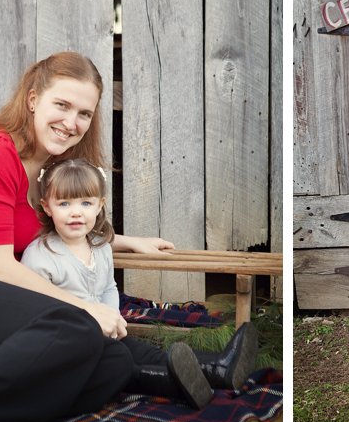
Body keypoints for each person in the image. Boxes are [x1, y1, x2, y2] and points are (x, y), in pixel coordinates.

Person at [0, 52, 252, 422]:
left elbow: (58, 231)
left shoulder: (52, 175)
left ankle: (212, 369)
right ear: (33, 100)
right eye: (62, 105)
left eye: (84, 113)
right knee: (79, 325)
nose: (71, 123)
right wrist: (85, 306)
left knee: (112, 361)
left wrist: (126, 241)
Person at [21, 158, 256, 408]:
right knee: (121, 362)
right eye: (64, 203)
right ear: (47, 207)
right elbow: (33, 307)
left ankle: (220, 369)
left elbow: (108, 288)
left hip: (105, 331)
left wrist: (113, 316)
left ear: (100, 205)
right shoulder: (41, 255)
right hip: (65, 342)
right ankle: (178, 386)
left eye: (86, 203)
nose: (76, 212)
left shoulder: (99, 247)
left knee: (146, 353)